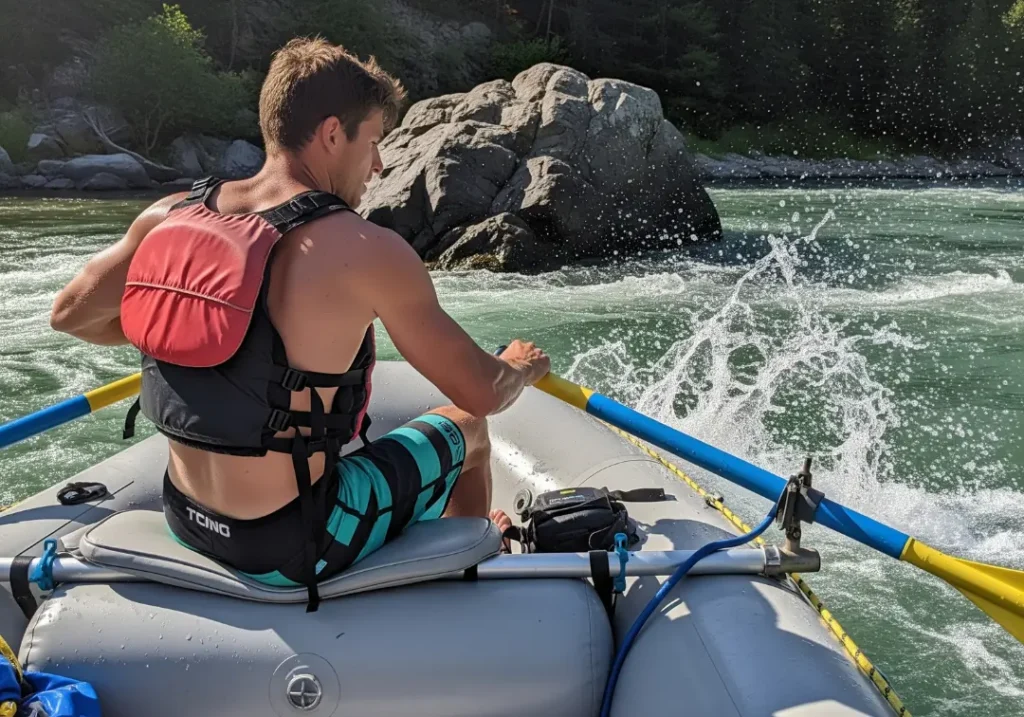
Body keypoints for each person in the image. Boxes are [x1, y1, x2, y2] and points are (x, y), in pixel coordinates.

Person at [49, 37, 550, 610]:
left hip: (183, 515)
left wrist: (188, 330)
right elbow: (480, 393)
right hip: (292, 546)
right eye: (375, 142)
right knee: (468, 430)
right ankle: (475, 566)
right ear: (333, 134)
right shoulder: (366, 249)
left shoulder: (170, 216)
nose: (380, 164)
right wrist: (519, 367)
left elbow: (71, 313)